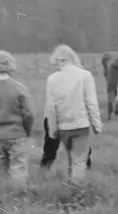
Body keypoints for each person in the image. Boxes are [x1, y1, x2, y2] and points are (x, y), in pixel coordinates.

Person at [43, 44, 102, 184]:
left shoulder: (52, 79)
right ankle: (77, 194)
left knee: (72, 159)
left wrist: (52, 129)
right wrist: (97, 125)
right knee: (79, 162)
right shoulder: (85, 76)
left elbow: (51, 107)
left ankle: (71, 189)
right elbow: (92, 103)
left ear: (59, 60)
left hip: (63, 127)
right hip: (81, 126)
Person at [0, 50, 35, 184]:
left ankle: (2, 196)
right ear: (10, 65)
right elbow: (29, 114)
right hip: (17, 134)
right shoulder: (19, 88)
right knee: (18, 167)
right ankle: (17, 196)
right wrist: (26, 130)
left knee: (1, 167)